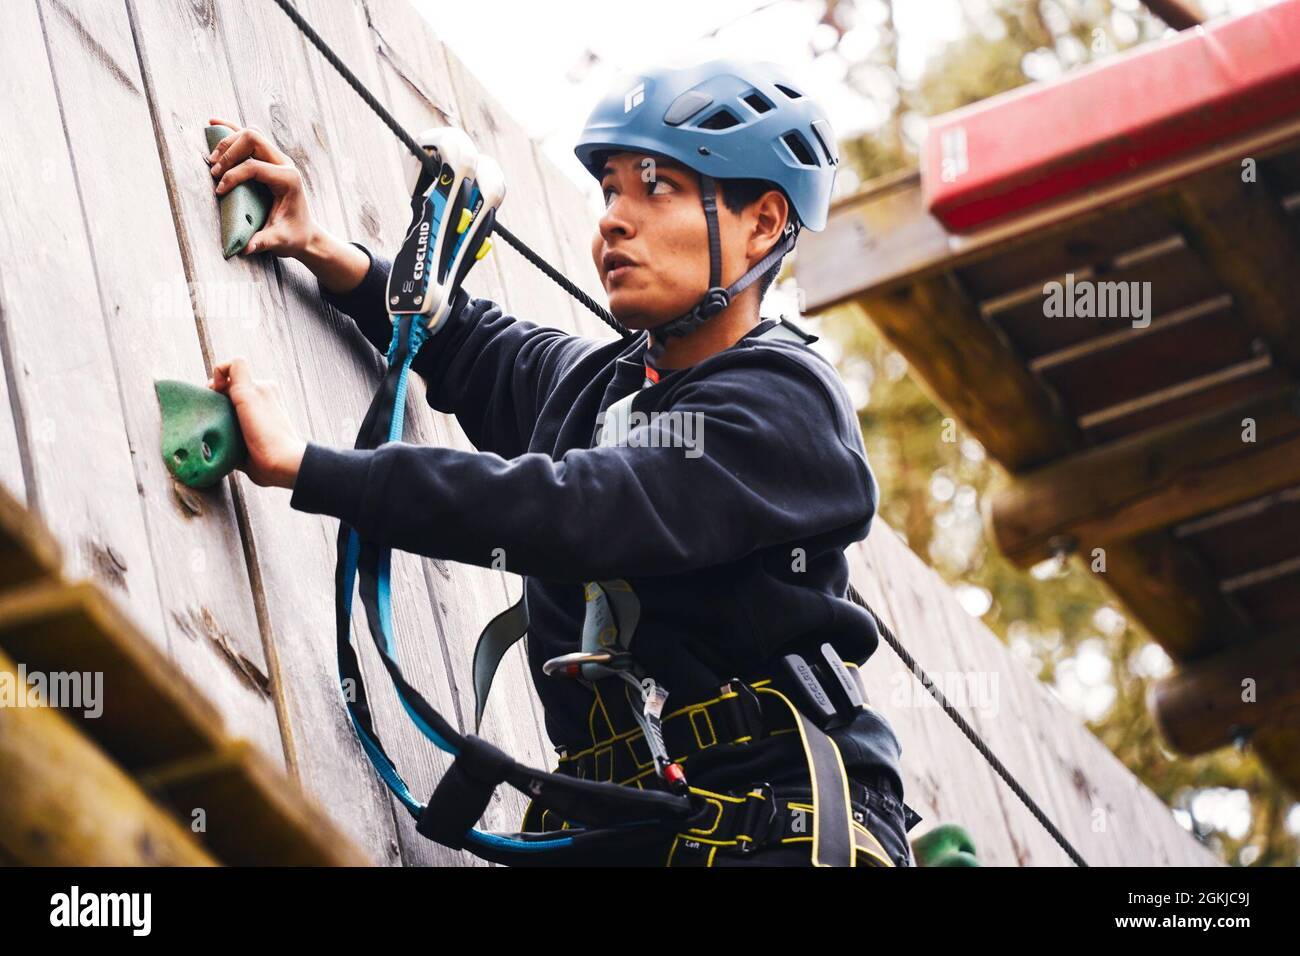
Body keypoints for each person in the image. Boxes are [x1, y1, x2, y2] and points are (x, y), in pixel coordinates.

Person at [204, 58, 913, 867]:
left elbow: (579, 509)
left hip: (784, 830)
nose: (614, 219)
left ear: (761, 222)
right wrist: (323, 248)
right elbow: (478, 351)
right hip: (637, 829)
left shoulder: (787, 408)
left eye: (658, 189)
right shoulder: (607, 390)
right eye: (610, 191)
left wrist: (312, 468)